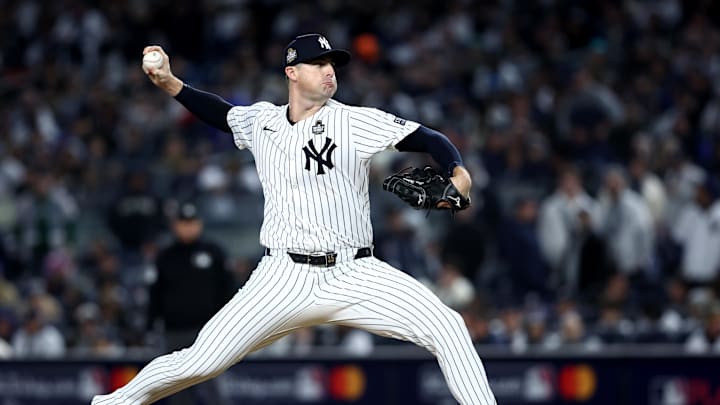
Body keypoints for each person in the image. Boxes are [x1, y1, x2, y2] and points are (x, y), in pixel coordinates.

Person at [92, 33, 496, 405]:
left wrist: (458, 171)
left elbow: (429, 139)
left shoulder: (352, 121)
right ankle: (113, 403)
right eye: (318, 63)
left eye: (332, 64)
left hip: (354, 272)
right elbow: (220, 112)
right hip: (282, 276)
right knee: (199, 362)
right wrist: (170, 83)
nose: (329, 71)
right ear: (291, 72)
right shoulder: (263, 121)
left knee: (448, 327)